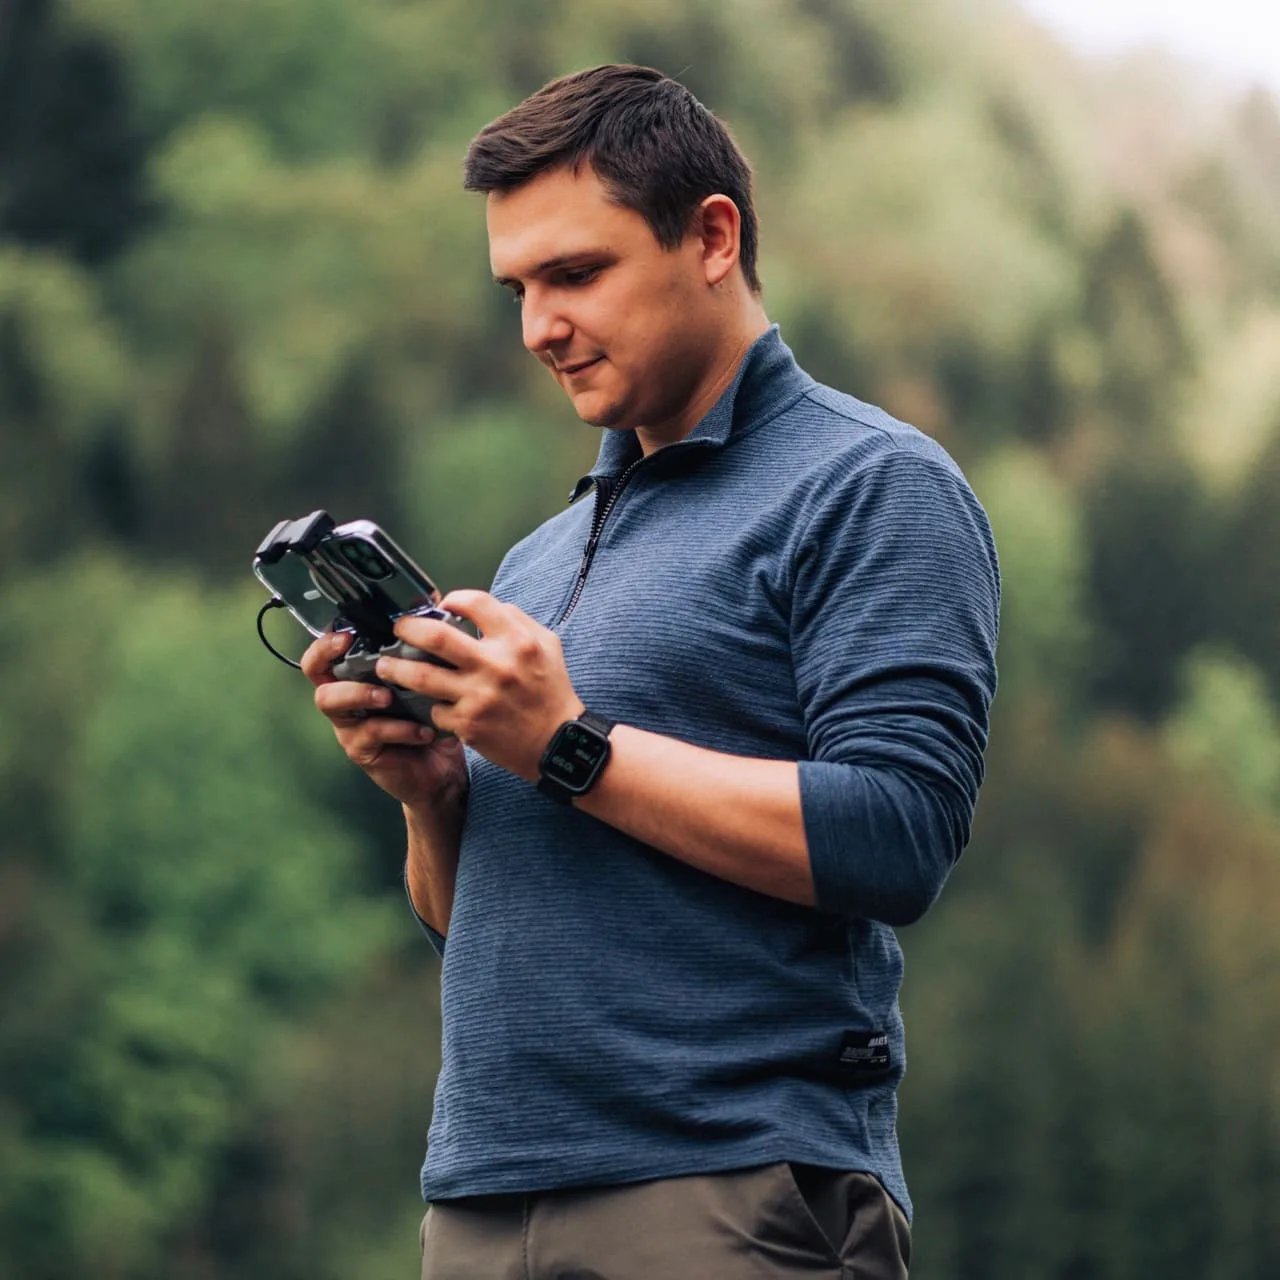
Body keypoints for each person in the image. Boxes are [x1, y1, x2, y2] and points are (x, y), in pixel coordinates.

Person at [302, 64, 999, 1280]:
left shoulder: (872, 485)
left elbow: (898, 833)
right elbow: (475, 925)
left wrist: (567, 744)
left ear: (711, 237)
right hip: (479, 1198)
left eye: (575, 273)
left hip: (724, 1189)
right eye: (516, 288)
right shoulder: (538, 554)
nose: (536, 326)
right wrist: (433, 793)